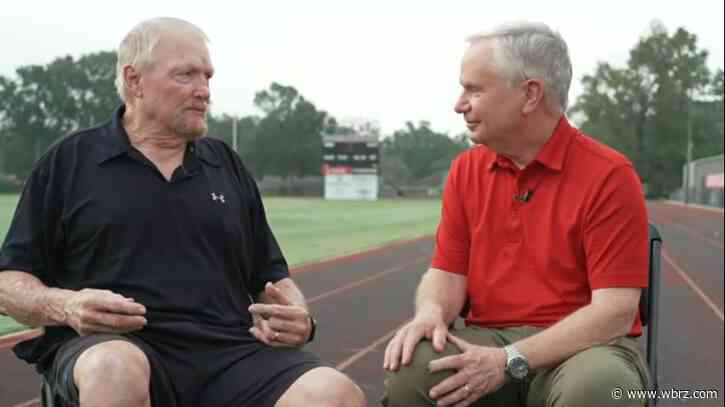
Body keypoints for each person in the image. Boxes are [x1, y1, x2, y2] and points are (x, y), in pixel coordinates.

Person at [0, 17, 365, 407]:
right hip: (116, 345)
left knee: (334, 393)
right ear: (135, 80)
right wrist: (68, 306)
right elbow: (9, 282)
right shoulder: (70, 161)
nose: (204, 90)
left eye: (208, 76)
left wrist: (298, 315)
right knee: (114, 369)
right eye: (186, 75)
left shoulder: (226, 164)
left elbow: (270, 276)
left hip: (228, 351)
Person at [382, 22, 650, 407]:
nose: (459, 104)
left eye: (474, 89)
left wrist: (509, 360)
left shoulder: (609, 175)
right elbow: (446, 273)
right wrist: (430, 311)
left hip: (583, 350)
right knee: (412, 368)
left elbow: (614, 313)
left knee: (599, 387)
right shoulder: (466, 171)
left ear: (529, 94)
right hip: (487, 339)